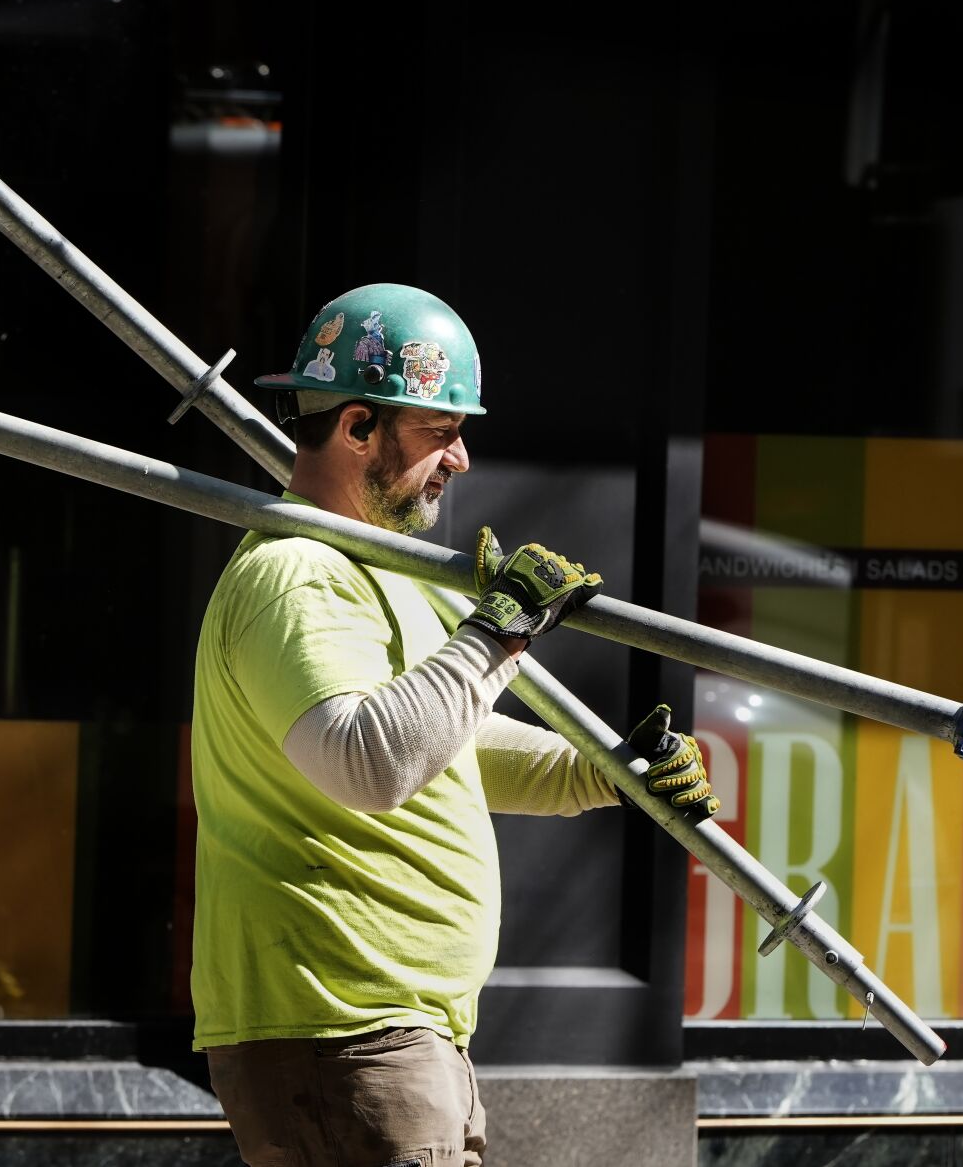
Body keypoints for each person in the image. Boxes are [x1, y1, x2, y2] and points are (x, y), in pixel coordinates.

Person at [188, 283, 719, 1167]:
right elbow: (367, 761)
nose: (462, 458)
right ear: (358, 427)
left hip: (388, 1032)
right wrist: (497, 630)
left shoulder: (380, 565)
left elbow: (444, 747)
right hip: (344, 1028)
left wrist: (610, 769)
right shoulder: (300, 575)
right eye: (441, 430)